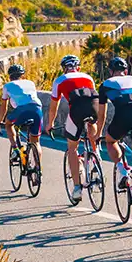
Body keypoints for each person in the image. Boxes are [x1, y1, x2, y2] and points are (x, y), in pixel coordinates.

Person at [44, 54, 98, 201]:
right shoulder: (88, 78)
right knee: (93, 133)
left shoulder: (60, 80)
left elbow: (53, 107)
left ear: (64, 69)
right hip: (94, 108)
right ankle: (96, 159)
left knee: (72, 148)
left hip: (76, 111)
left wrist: (50, 124)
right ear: (78, 68)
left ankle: (77, 188)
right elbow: (92, 96)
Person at [95, 56, 132, 190]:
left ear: (111, 71)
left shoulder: (106, 84)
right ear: (126, 71)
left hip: (123, 116)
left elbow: (102, 114)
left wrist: (98, 133)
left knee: (110, 141)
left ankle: (123, 170)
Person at [0, 64, 42, 165]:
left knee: (8, 123)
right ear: (22, 75)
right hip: (37, 108)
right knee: (36, 142)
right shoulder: (30, 83)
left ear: (10, 76)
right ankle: (38, 170)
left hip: (21, 110)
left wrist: (0, 119)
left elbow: (4, 105)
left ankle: (16, 150)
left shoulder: (7, 86)